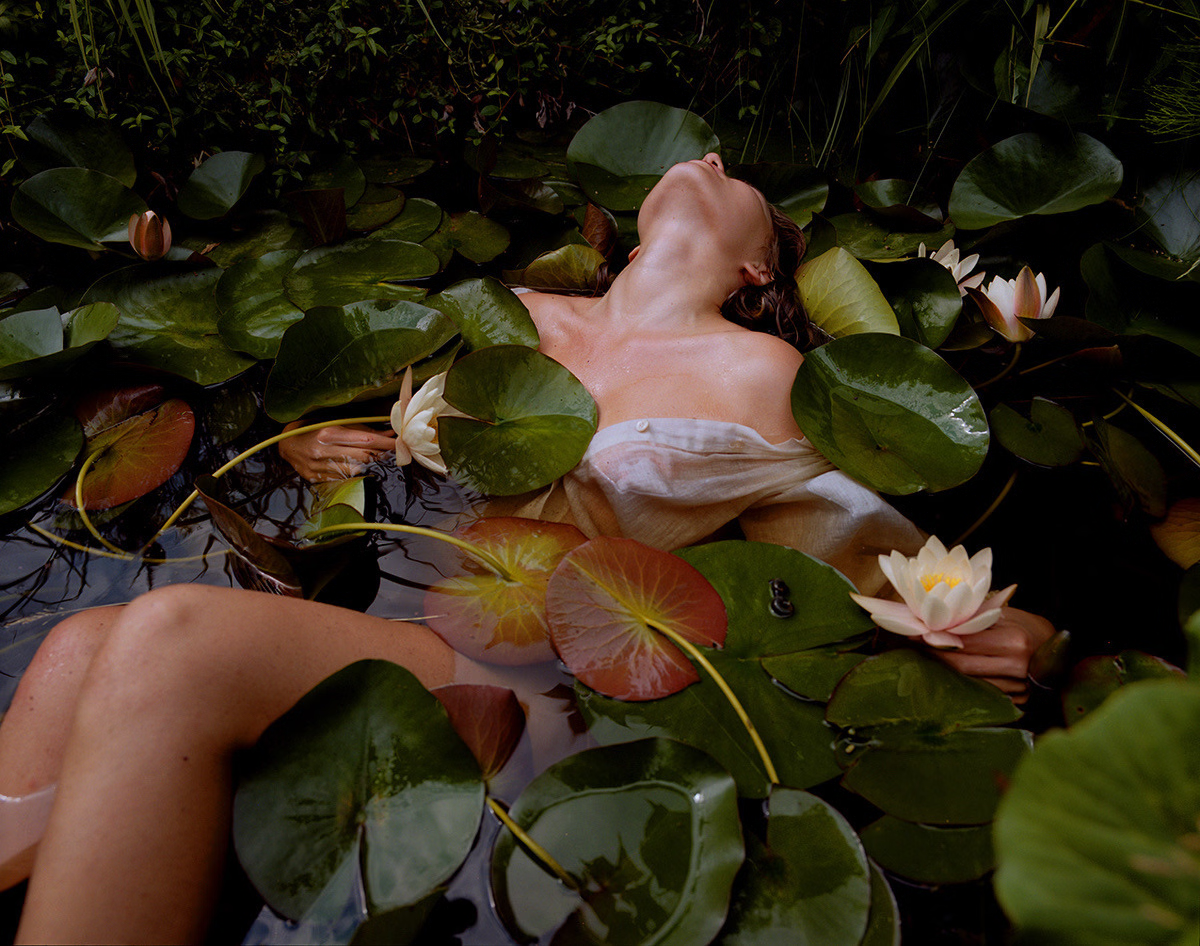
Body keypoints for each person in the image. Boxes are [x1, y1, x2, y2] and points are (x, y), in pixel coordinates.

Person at [0, 153, 1053, 944]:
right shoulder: (516, 312)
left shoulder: (763, 372)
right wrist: (321, 444)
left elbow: (865, 571)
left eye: (735, 176)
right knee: (75, 652)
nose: (709, 157)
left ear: (753, 265)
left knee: (168, 638)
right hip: (408, 619)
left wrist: (1018, 639)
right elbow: (382, 422)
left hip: (547, 687)